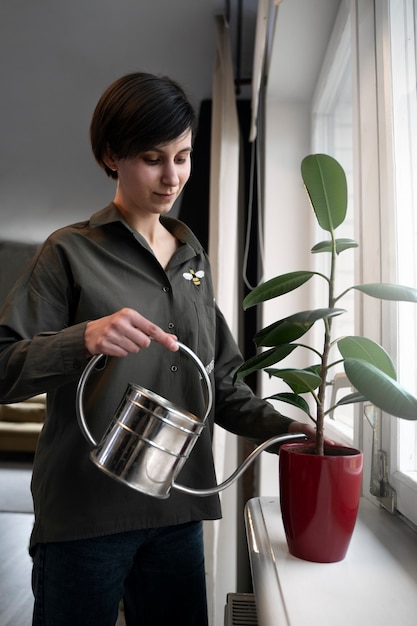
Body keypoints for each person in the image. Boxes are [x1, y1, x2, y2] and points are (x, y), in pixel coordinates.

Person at [0, 72, 316, 626]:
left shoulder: (194, 258)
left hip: (177, 513)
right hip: (84, 518)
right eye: (153, 158)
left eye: (184, 156)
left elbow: (218, 382)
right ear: (110, 157)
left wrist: (293, 429)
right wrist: (84, 337)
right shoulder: (68, 252)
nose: (173, 177)